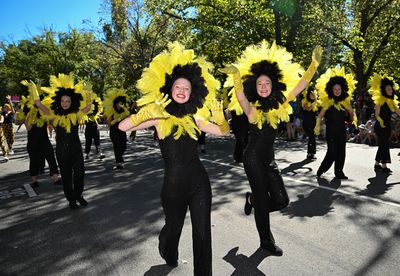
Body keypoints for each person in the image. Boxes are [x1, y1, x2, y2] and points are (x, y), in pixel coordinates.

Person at [119, 42, 229, 275]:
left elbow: (222, 132)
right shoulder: (159, 117)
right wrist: (143, 115)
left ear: (191, 93)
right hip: (173, 187)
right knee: (173, 228)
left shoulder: (195, 117)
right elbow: (122, 126)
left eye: (186, 88)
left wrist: (222, 120)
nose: (181, 90)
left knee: (202, 232)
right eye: (177, 86)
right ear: (170, 89)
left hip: (199, 182)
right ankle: (167, 247)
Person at [221, 40, 323, 256]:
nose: (264, 87)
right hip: (252, 159)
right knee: (261, 194)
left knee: (281, 200)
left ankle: (253, 201)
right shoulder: (252, 109)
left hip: (269, 159)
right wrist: (237, 78)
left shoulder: (280, 103)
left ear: (273, 85)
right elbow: (240, 98)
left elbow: (300, 86)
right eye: (260, 84)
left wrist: (313, 67)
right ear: (255, 87)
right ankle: (266, 241)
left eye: (267, 83)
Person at [27, 74, 92, 209]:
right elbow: (39, 105)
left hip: (76, 148)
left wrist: (88, 93)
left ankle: (78, 195)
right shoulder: (53, 115)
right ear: (59, 101)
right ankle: (71, 199)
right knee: (67, 176)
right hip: (62, 150)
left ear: (71, 102)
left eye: (67, 101)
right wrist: (34, 92)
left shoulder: (76, 114)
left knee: (80, 173)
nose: (65, 103)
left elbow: (88, 107)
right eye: (63, 101)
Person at [314, 67, 357, 179]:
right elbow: (320, 115)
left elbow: (352, 113)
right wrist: (317, 126)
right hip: (331, 130)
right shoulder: (328, 102)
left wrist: (354, 122)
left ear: (342, 89)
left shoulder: (345, 102)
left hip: (342, 130)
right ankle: (322, 169)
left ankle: (339, 172)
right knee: (332, 152)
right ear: (331, 90)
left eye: (339, 89)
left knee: (341, 152)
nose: (337, 91)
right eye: (335, 89)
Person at [18, 82, 61, 187]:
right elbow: (28, 128)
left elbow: (51, 121)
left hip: (44, 139)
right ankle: (34, 181)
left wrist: (58, 132)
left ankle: (56, 178)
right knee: (34, 160)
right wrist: (31, 115)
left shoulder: (44, 110)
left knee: (51, 157)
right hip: (33, 141)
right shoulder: (28, 111)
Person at [368, 73, 400, 173]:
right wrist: (380, 121)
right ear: (384, 91)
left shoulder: (392, 101)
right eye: (388, 90)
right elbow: (376, 114)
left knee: (382, 144)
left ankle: (377, 164)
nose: (390, 91)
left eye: (391, 89)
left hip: (387, 126)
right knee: (385, 144)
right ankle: (384, 166)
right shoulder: (380, 100)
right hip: (379, 126)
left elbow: (398, 111)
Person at [103, 88, 130, 170]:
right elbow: (109, 124)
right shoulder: (111, 111)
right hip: (114, 131)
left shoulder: (124, 111)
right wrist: (115, 120)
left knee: (124, 146)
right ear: (115, 103)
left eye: (121, 103)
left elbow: (128, 117)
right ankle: (119, 162)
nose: (120, 104)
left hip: (122, 131)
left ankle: (119, 159)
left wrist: (125, 110)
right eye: (119, 103)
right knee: (117, 146)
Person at [301, 85, 320, 159]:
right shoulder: (305, 101)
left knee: (312, 138)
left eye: (313, 94)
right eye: (311, 94)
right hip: (306, 123)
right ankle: (310, 153)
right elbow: (307, 109)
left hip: (313, 123)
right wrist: (314, 102)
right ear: (308, 95)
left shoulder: (315, 103)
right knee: (312, 137)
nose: (312, 96)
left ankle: (311, 153)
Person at [84, 95, 105, 160]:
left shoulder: (94, 113)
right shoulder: (85, 113)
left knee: (97, 141)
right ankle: (87, 154)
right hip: (89, 128)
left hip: (95, 128)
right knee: (88, 142)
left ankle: (100, 154)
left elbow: (97, 116)